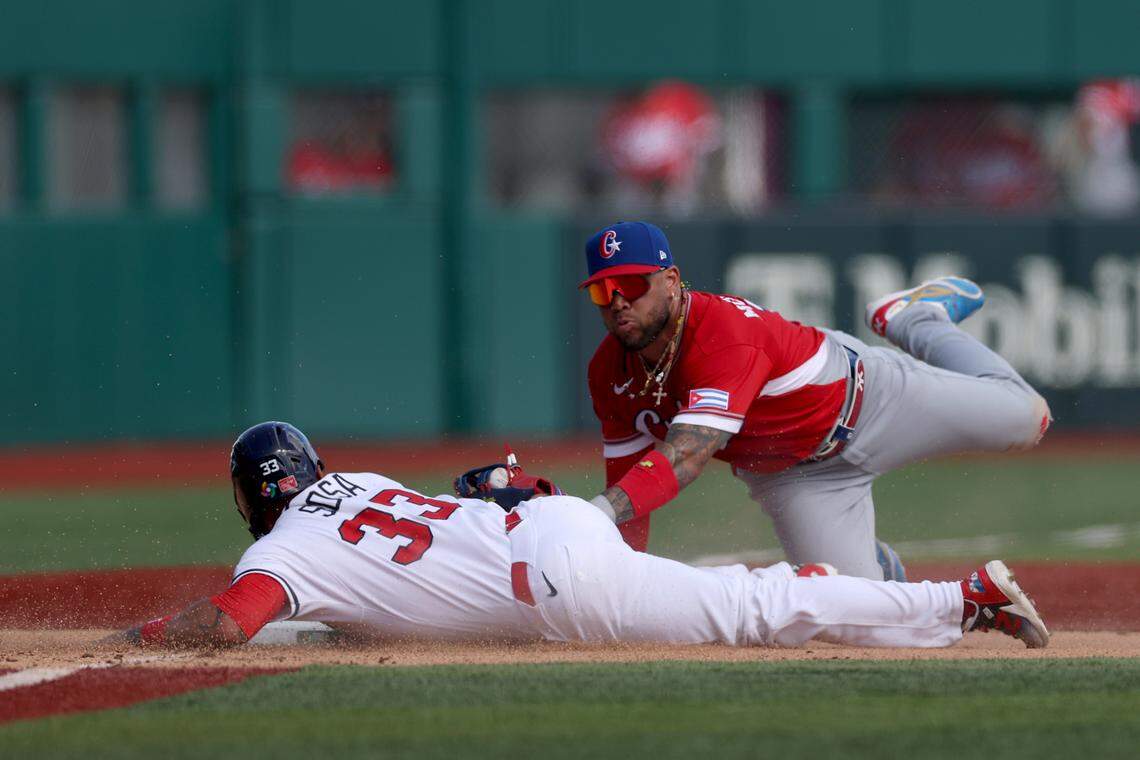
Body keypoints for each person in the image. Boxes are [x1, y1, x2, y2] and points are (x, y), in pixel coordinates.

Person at [109, 421, 1048, 650]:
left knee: (753, 609)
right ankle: (939, 602)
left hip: (551, 581)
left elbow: (231, 622)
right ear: (313, 467)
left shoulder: (277, 554)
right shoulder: (359, 483)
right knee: (745, 599)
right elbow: (390, 579)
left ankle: (957, 598)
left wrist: (145, 638)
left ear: (245, 500)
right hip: (541, 521)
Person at [580, 221, 1051, 580]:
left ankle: (916, 318)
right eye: (604, 291)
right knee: (856, 622)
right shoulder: (608, 372)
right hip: (792, 479)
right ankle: (874, 566)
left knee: (1029, 420)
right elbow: (629, 490)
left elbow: (685, 455)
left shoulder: (722, 335)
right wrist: (618, 576)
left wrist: (592, 514)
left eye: (633, 284)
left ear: (670, 280)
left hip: (872, 404)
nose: (619, 300)